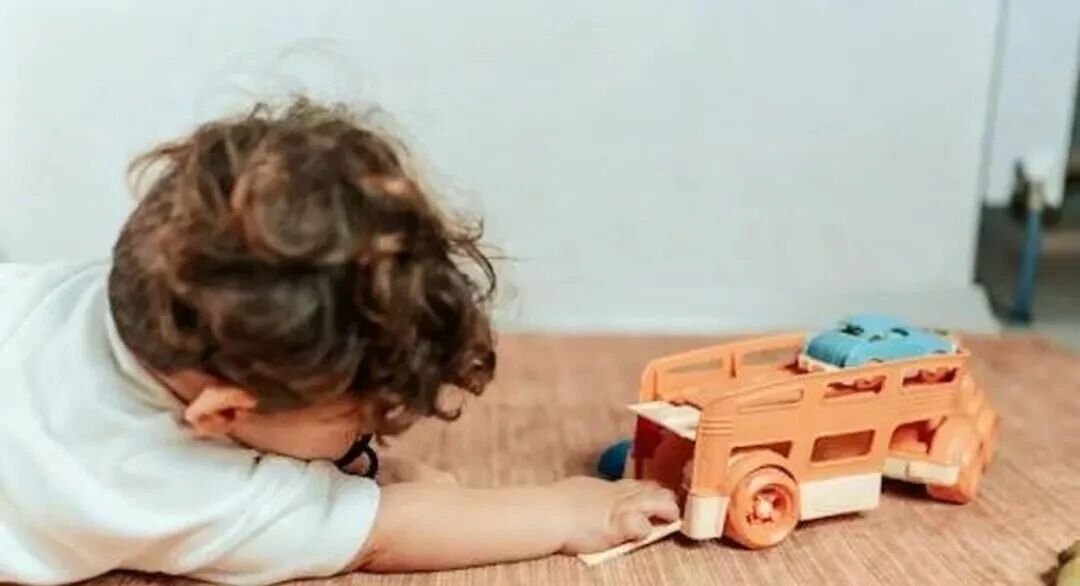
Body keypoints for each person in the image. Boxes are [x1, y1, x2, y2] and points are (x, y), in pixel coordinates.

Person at [0, 98, 679, 585]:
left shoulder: (136, 291)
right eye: (356, 421)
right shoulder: (172, 489)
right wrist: (564, 511)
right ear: (223, 413)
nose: (372, 437)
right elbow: (387, 533)